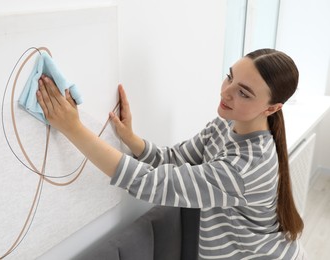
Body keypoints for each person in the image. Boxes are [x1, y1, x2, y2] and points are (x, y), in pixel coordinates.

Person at [36, 48, 307, 259]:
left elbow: (152, 183)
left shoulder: (245, 168)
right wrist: (131, 139)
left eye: (244, 93)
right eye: (229, 76)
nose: (226, 92)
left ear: (271, 109)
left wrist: (73, 129)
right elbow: (176, 159)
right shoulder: (226, 123)